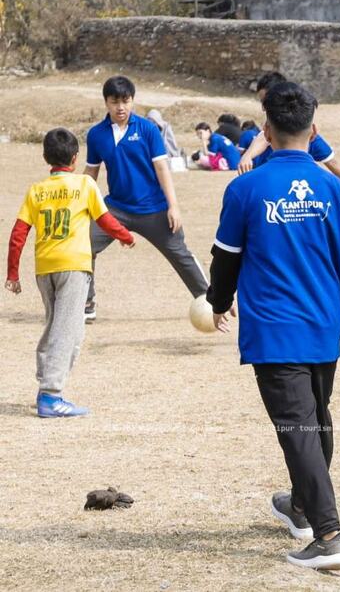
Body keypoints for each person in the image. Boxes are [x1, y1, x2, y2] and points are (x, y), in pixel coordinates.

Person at [206, 81, 340, 571]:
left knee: (301, 430)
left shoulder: (245, 188)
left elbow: (225, 259)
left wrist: (218, 301)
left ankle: (328, 536)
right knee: (314, 420)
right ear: (314, 130)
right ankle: (301, 506)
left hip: (273, 332)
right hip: (323, 329)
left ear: (266, 131)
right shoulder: (337, 191)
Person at [6, 128, 134, 417]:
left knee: (57, 325)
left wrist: (13, 273)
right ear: (75, 158)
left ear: (45, 157)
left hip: (45, 267)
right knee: (68, 331)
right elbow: (105, 220)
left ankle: (45, 382)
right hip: (74, 266)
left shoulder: (37, 190)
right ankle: (51, 396)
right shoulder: (85, 185)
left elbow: (18, 234)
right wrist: (126, 236)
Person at [84, 77, 209, 322]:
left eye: (126, 101)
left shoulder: (147, 130)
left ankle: (211, 300)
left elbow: (162, 168)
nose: (121, 107)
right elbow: (91, 173)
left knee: (180, 255)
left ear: (132, 101)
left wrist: (173, 206)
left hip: (154, 209)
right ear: (106, 102)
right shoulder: (96, 134)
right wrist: (79, 202)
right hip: (116, 208)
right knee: (83, 245)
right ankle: (87, 303)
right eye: (115, 102)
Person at [238, 73, 340, 206]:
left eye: (265, 101)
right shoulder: (272, 132)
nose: (264, 108)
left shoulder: (305, 135)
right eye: (262, 102)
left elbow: (332, 163)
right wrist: (247, 156)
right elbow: (261, 139)